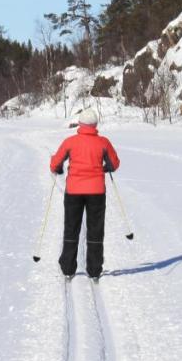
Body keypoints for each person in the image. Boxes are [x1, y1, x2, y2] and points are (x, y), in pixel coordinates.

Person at [49, 107, 120, 280]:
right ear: (95, 125)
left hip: (74, 191)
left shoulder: (70, 142)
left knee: (71, 228)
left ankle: (68, 268)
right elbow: (114, 164)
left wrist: (58, 169)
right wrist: (105, 168)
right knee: (95, 230)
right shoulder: (103, 142)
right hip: (96, 192)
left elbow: (55, 163)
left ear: (80, 124)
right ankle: (94, 270)